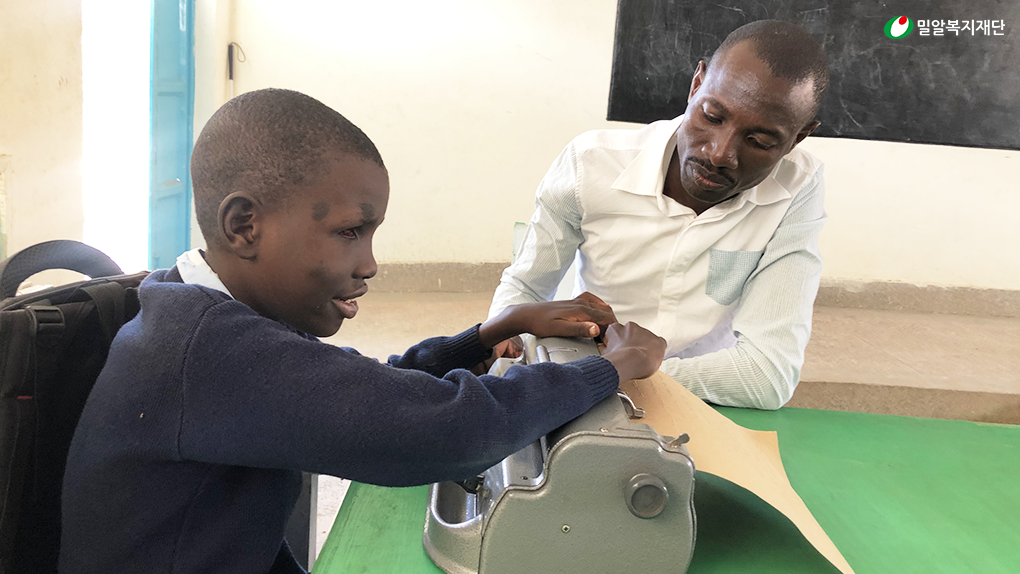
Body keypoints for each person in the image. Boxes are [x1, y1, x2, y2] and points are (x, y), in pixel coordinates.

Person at [60, 89, 665, 574]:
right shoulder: (208, 348)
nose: (370, 264)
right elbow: (437, 431)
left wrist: (489, 333)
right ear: (245, 226)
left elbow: (364, 388)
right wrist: (611, 367)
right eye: (350, 232)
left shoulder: (205, 308)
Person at [489, 20, 830, 410]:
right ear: (696, 84)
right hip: (585, 389)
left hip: (701, 401)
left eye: (759, 141)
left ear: (798, 138)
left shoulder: (797, 187)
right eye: (712, 116)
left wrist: (612, 372)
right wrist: (507, 341)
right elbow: (526, 290)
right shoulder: (592, 163)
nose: (719, 153)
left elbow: (767, 375)